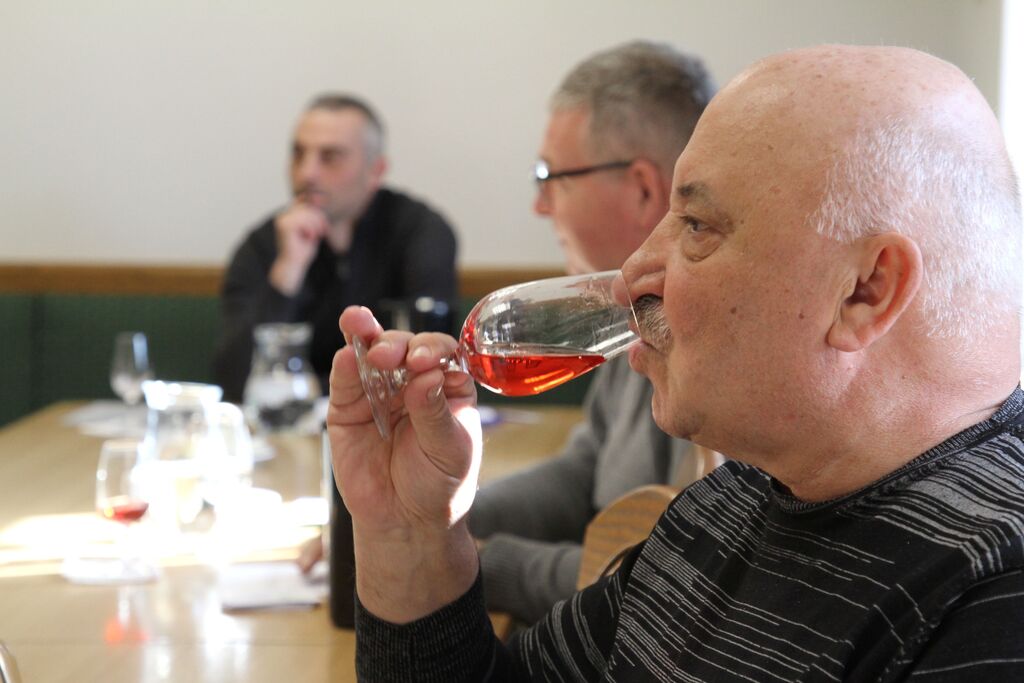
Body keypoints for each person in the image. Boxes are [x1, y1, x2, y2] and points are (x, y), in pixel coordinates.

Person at [328, 43, 1024, 681]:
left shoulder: (994, 599)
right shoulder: (725, 506)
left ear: (865, 290)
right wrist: (412, 535)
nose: (631, 273)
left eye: (696, 226)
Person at [467, 40, 717, 624]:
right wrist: (435, 524)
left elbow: (664, 576)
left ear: (642, 189)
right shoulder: (631, 314)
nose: (540, 206)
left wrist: (476, 565)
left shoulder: (709, 347)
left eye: (550, 176)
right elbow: (584, 475)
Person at [212, 93, 458, 403]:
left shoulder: (420, 232)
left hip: (388, 425)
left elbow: (424, 368)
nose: (306, 173)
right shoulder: (264, 244)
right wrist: (287, 272)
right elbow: (234, 381)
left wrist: (304, 387)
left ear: (375, 171)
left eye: (330, 157)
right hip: (288, 430)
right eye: (298, 154)